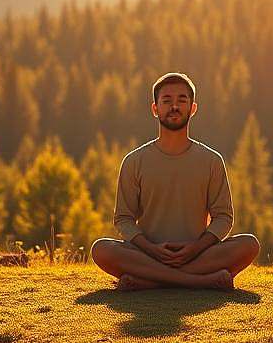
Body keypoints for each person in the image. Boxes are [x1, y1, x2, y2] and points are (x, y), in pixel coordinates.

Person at [90, 72, 260, 291]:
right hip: (147, 255)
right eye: (167, 101)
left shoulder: (211, 160)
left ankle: (149, 281)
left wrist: (195, 248)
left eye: (182, 100)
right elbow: (124, 219)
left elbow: (223, 217)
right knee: (102, 249)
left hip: (198, 254)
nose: (174, 107)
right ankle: (199, 281)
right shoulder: (134, 161)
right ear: (155, 108)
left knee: (248, 244)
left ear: (193, 108)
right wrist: (151, 249)